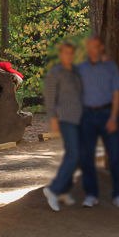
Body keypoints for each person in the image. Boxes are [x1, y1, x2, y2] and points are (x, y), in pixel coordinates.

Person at [77, 34, 119, 208]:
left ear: (101, 48)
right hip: (87, 116)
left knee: (114, 156)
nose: (93, 50)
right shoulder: (81, 69)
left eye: (96, 46)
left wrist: (113, 116)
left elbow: (116, 93)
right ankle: (91, 194)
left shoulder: (110, 67)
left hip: (106, 114)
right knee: (86, 157)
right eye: (90, 46)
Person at [41, 41, 83, 211]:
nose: (69, 56)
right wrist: (53, 119)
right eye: (66, 53)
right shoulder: (55, 74)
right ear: (61, 54)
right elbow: (50, 98)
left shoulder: (76, 72)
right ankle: (53, 190)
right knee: (73, 154)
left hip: (80, 118)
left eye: (71, 53)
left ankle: (64, 190)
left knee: (78, 156)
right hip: (65, 118)